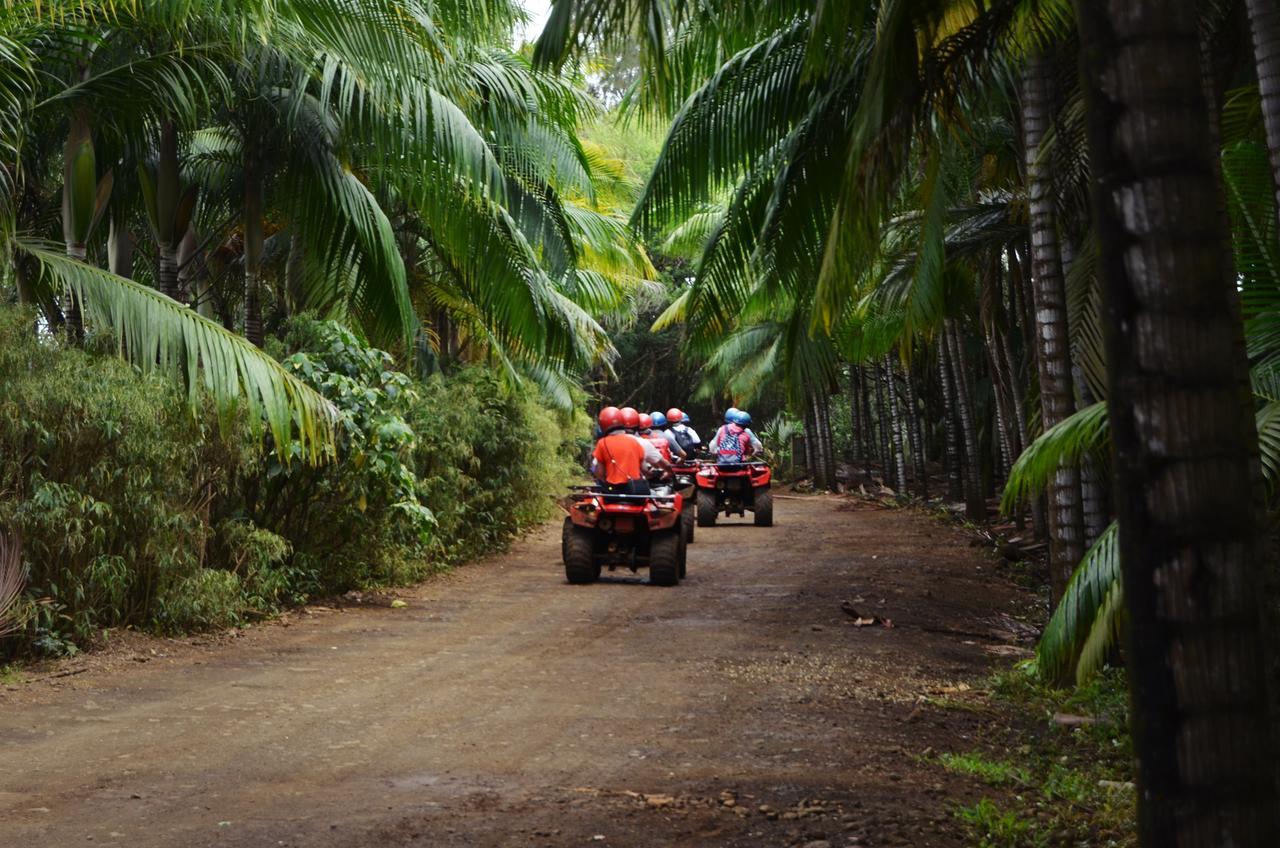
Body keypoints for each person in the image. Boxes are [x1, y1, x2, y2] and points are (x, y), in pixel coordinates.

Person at [591, 406, 650, 496]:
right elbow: (644, 469)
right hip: (634, 492)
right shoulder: (635, 442)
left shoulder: (602, 443)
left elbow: (600, 473)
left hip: (613, 491)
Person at [621, 406, 671, 480]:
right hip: (634, 485)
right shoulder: (644, 442)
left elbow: (598, 470)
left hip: (609, 487)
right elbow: (660, 464)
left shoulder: (605, 442)